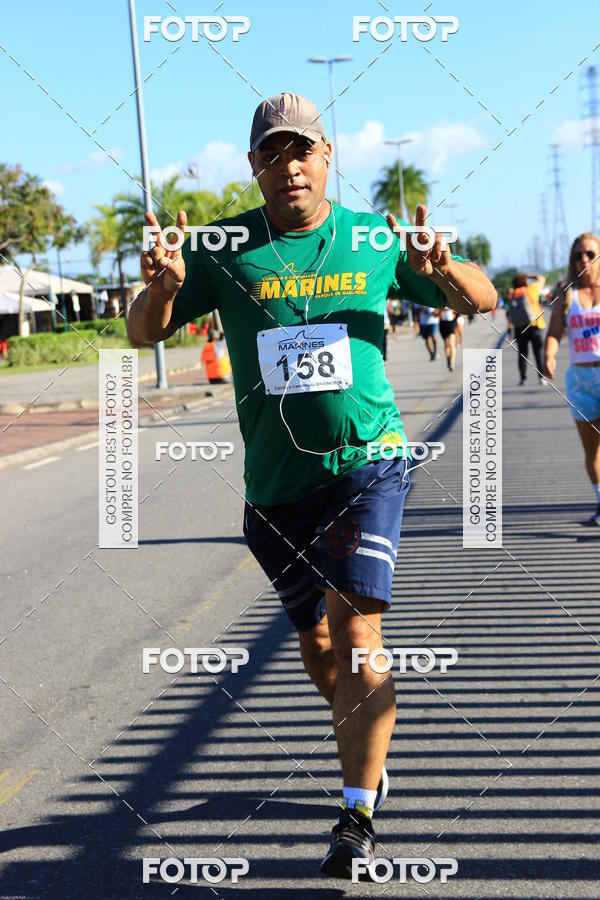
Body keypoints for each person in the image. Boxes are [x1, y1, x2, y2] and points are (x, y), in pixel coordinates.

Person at [127, 92, 497, 879]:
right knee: (320, 645)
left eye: (301, 149)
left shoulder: (374, 238)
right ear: (253, 165)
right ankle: (361, 741)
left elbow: (483, 298)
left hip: (369, 464)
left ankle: (356, 814)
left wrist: (441, 266)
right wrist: (161, 288)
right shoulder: (222, 246)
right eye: (272, 152)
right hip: (276, 487)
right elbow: (141, 331)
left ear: (328, 156)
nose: (288, 165)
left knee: (358, 635)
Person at [545, 232, 600, 526]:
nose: (584, 259)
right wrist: (549, 355)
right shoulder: (567, 294)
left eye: (590, 254)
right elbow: (554, 332)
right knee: (592, 449)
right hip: (580, 381)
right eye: (578, 255)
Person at [506, 273, 546, 385]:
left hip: (519, 328)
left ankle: (522, 377)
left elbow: (509, 313)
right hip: (534, 325)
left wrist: (510, 329)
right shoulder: (531, 288)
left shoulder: (512, 294)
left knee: (522, 354)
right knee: (538, 352)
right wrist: (528, 275)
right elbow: (541, 278)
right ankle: (541, 377)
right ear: (525, 281)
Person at [439, 306, 458, 370]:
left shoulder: (452, 300)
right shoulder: (440, 301)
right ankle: (448, 359)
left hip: (451, 322)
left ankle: (452, 362)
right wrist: (441, 309)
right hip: (442, 323)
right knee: (446, 344)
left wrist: (450, 308)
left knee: (452, 343)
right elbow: (435, 314)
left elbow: (457, 309)